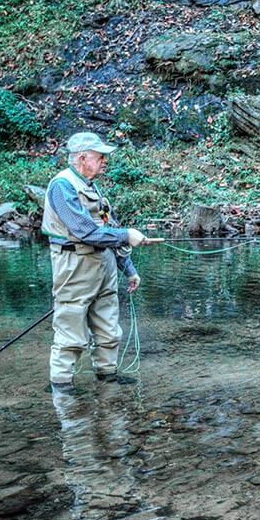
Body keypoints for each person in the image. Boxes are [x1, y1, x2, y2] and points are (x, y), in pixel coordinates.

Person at [41, 131, 149, 388]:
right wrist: (127, 235)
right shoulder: (62, 186)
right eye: (100, 156)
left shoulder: (92, 187)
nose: (105, 160)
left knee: (109, 330)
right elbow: (85, 231)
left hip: (104, 267)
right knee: (71, 336)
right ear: (82, 158)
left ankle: (107, 378)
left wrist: (129, 269)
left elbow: (108, 228)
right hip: (74, 267)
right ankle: (62, 390)